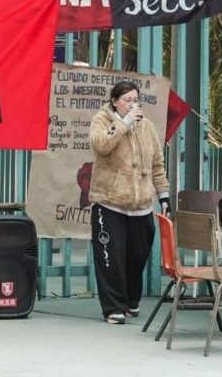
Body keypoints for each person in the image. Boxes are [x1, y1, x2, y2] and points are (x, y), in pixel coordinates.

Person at [89, 81, 171, 325]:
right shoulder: (102, 120)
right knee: (110, 258)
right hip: (110, 202)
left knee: (138, 256)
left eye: (136, 100)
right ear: (114, 101)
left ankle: (131, 301)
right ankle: (113, 307)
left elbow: (157, 164)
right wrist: (123, 123)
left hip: (141, 204)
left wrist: (163, 195)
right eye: (127, 100)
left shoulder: (147, 127)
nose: (133, 104)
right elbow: (101, 144)